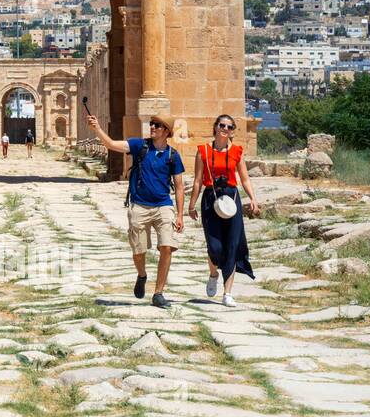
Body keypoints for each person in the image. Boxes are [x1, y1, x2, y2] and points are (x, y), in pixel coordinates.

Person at [85, 113, 185, 308]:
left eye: (157, 125)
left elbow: (179, 186)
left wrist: (180, 214)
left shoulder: (173, 155)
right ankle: (142, 274)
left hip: (164, 204)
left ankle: (158, 293)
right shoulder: (140, 145)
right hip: (140, 205)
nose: (153, 127)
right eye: (152, 124)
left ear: (166, 131)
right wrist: (96, 128)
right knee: (138, 251)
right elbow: (112, 145)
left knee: (166, 246)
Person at [187, 114, 259, 307]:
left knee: (232, 245)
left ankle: (227, 293)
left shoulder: (237, 151)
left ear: (232, 131)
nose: (225, 129)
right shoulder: (202, 151)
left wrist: (252, 198)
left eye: (229, 127)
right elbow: (197, 180)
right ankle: (213, 273)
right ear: (215, 127)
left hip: (231, 199)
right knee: (215, 246)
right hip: (211, 199)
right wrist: (191, 205)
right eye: (222, 125)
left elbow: (244, 178)